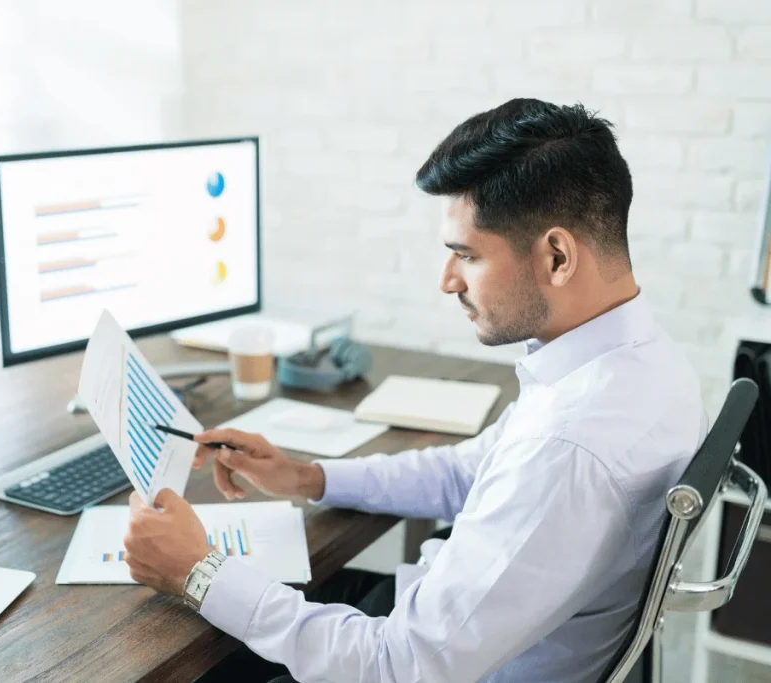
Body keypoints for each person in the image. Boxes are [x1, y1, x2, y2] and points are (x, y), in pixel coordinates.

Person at [122, 98, 708, 682]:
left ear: (556, 255)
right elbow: (470, 473)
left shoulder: (570, 445)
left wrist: (197, 571)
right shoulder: (637, 361)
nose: (446, 280)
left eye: (466, 255)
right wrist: (307, 478)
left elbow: (396, 666)